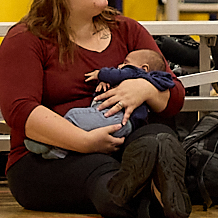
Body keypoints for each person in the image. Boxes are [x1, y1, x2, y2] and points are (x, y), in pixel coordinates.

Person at [0, 0, 189, 218]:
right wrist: (84, 141)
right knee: (98, 170)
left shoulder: (127, 30)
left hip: (122, 144)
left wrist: (145, 88)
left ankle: (153, 192)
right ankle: (148, 198)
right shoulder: (26, 38)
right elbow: (20, 111)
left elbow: (175, 97)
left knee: (157, 138)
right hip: (48, 157)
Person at [22, 48, 178, 159]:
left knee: (74, 116)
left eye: (125, 62)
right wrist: (105, 83)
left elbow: (119, 74)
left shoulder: (135, 73)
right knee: (80, 125)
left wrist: (101, 74)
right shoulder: (136, 78)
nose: (119, 65)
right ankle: (55, 149)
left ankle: (52, 142)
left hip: (116, 118)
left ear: (144, 68)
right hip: (120, 123)